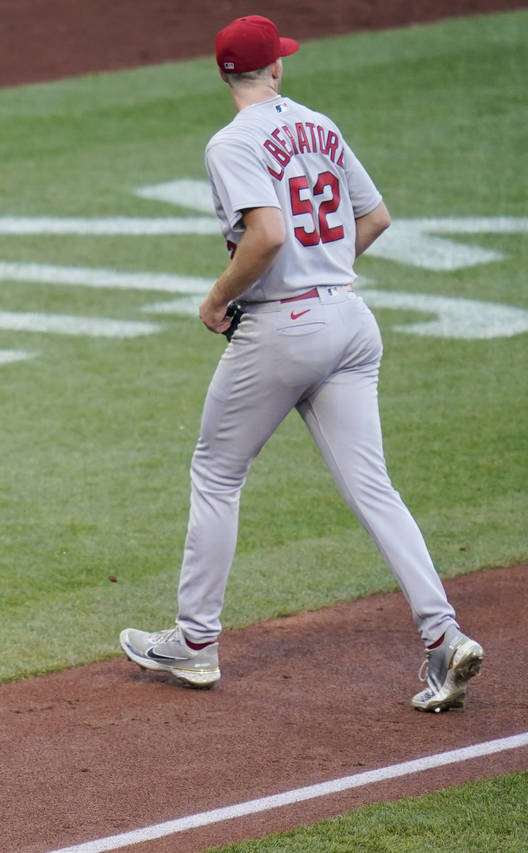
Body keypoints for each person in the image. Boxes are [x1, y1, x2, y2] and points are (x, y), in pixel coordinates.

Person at [118, 16, 483, 713]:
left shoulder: (230, 143)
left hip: (285, 326)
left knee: (217, 471)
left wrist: (218, 297)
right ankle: (443, 637)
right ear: (275, 69)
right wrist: (325, 275)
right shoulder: (321, 125)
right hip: (349, 318)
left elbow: (267, 234)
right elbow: (373, 218)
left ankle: (195, 642)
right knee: (374, 488)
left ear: (224, 74)